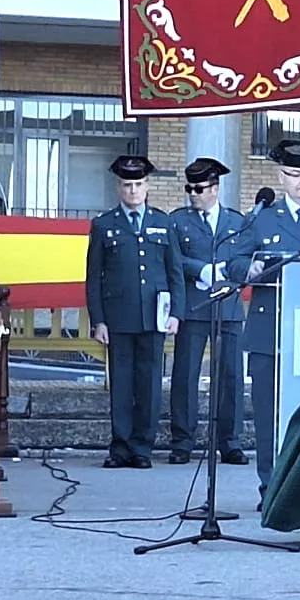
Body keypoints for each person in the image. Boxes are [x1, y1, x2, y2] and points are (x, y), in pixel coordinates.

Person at [227, 139, 300, 498]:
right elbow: (234, 262)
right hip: (271, 330)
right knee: (268, 413)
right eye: (295, 174)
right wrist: (250, 269)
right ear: (281, 177)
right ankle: (272, 485)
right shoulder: (262, 218)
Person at [85, 155, 183, 469]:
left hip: (154, 316)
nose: (133, 190)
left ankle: (142, 448)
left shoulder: (163, 222)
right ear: (119, 187)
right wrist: (98, 320)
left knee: (149, 384)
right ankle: (120, 447)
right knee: (121, 384)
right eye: (127, 185)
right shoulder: (104, 224)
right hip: (118, 317)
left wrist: (176, 313)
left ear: (147, 186)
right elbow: (94, 277)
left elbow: (175, 272)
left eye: (139, 184)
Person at [166, 157, 248, 466]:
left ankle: (230, 442)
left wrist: (230, 269)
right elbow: (172, 258)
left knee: (231, 376)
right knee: (185, 375)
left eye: (199, 189)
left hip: (228, 307)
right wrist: (200, 269)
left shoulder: (236, 221)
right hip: (194, 306)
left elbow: (245, 256)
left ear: (215, 189)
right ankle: (182, 441)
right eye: (189, 189)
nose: (193, 194)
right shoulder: (178, 221)